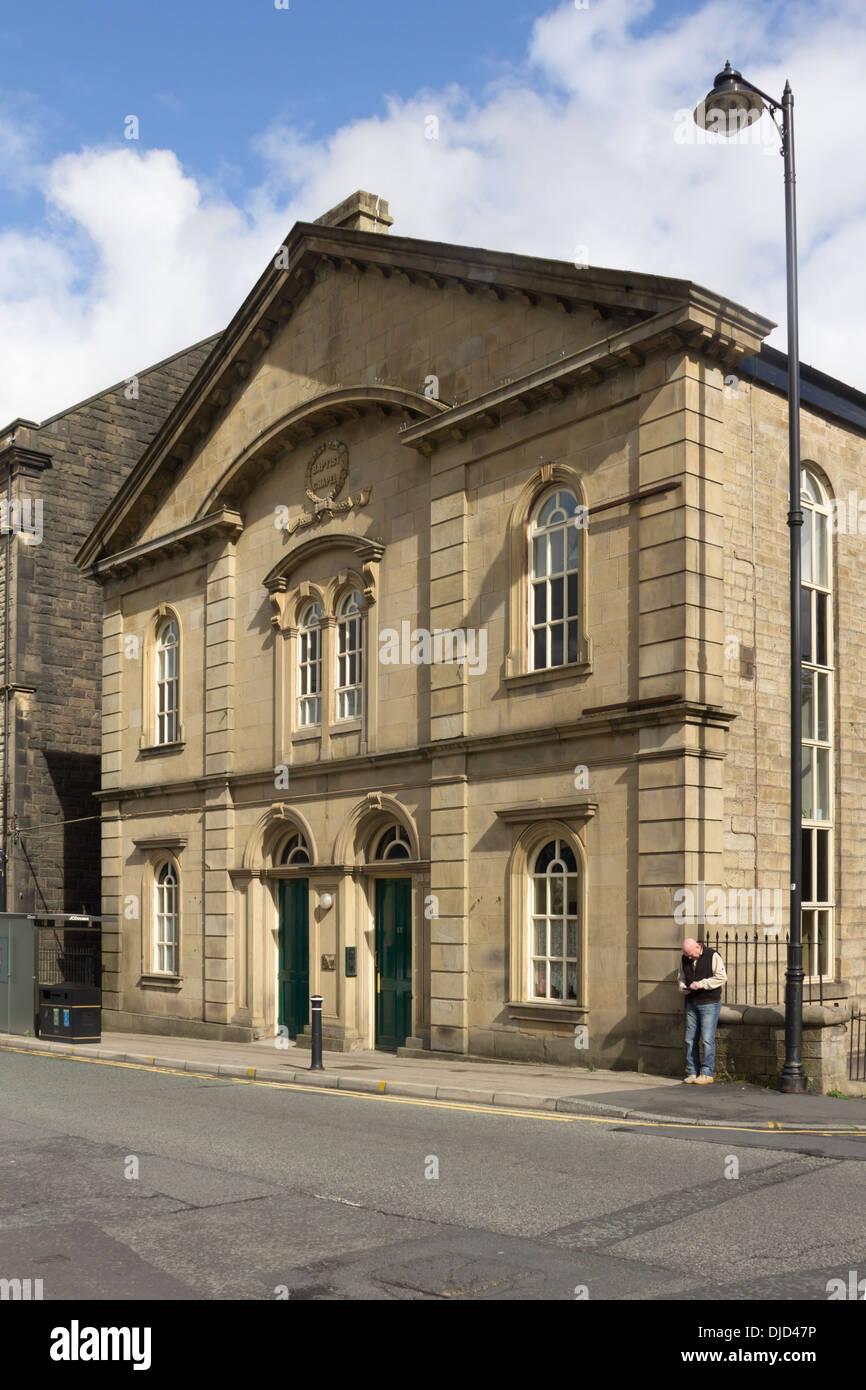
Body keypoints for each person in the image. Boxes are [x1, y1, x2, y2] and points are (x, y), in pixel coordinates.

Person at [678, 938, 727, 1084]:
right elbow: (681, 977)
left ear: (698, 948)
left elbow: (722, 978)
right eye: (686, 955)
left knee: (707, 1039)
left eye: (691, 954)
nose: (689, 957)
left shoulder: (713, 956)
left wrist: (701, 984)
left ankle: (707, 1073)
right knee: (690, 1039)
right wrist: (682, 987)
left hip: (709, 1003)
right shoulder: (685, 958)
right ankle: (692, 1071)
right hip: (691, 1002)